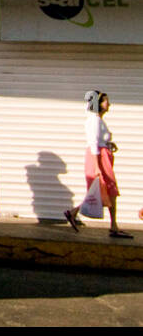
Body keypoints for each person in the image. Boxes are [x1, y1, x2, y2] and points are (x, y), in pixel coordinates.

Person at [67, 90, 131, 238]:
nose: (108, 104)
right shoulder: (94, 120)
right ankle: (113, 226)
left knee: (104, 191)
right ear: (98, 104)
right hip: (98, 158)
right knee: (108, 190)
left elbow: (100, 141)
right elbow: (94, 143)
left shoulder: (98, 120)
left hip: (102, 156)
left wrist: (109, 144)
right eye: (105, 101)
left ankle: (73, 213)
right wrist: (97, 166)